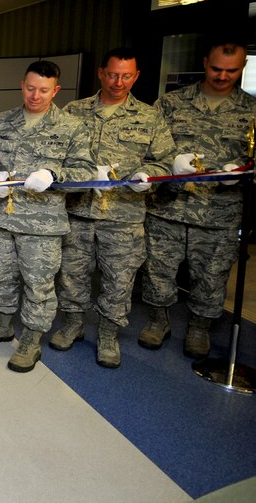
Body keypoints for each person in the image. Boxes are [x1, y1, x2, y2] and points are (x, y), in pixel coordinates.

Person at [51, 50, 176, 368]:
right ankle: (73, 325)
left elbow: (165, 161)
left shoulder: (149, 117)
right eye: (112, 74)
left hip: (124, 215)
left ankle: (108, 335)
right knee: (71, 274)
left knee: (119, 280)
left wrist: (148, 178)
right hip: (78, 210)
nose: (118, 82)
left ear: (135, 76)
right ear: (100, 73)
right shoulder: (73, 111)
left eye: (126, 76)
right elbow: (54, 153)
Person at [0, 61, 96, 373]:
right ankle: (3, 324)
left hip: (42, 224)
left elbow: (85, 172)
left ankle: (31, 339)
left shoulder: (71, 127)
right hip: (1, 218)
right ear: (22, 85)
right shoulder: (0, 122)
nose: (35, 95)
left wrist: (54, 174)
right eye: (30, 88)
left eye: (43, 90)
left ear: (55, 90)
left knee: (38, 283)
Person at [141, 38, 256, 359]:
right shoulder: (171, 103)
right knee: (157, 271)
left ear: (242, 68)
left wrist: (244, 170)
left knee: (211, 275)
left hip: (219, 213)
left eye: (231, 71)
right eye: (216, 68)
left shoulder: (252, 111)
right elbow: (148, 148)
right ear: (205, 63)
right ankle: (157, 321)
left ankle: (199, 329)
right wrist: (169, 163)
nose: (222, 76)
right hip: (168, 208)